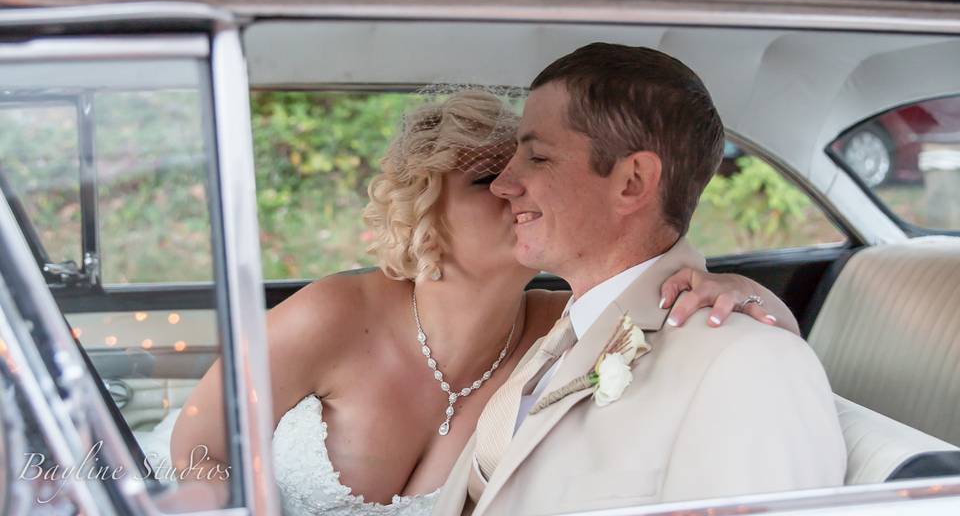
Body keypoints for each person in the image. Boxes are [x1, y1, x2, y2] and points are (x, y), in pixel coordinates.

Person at [169, 87, 802, 515]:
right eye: (484, 179)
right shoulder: (333, 314)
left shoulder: (567, 326)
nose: (515, 189)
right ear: (421, 205)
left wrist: (740, 289)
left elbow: (726, 322)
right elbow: (201, 449)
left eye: (534, 171)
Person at [432, 45, 846, 516]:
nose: (505, 185)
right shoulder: (560, 334)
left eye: (538, 158)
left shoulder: (751, 362)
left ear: (632, 181)